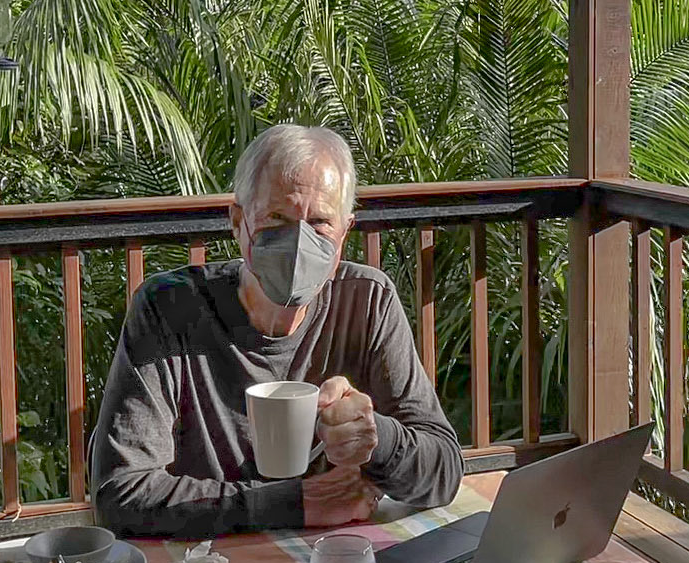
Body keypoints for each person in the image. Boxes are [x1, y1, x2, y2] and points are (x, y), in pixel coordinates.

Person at [89, 124, 463, 537]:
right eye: (277, 218)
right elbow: (119, 494)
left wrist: (379, 439)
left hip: (334, 560)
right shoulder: (169, 309)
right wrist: (293, 503)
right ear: (238, 221)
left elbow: (444, 471)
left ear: (345, 232)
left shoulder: (368, 300)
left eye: (320, 222)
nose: (299, 242)